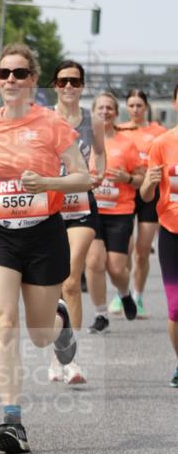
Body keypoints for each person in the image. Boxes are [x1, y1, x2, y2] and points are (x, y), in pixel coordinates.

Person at [0, 44, 90, 454]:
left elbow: (83, 177)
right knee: (5, 321)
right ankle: (12, 419)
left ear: (33, 80)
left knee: (39, 335)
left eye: (19, 73)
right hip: (0, 233)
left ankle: (59, 323)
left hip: (43, 232)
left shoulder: (51, 123)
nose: (10, 80)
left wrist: (48, 185)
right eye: (3, 73)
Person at [49, 60, 106, 383]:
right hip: (48, 207)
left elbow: (101, 153)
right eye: (62, 81)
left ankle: (71, 359)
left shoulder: (93, 121)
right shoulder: (44, 119)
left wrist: (97, 172)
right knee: (52, 286)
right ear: (55, 85)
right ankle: (57, 354)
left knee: (71, 280)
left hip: (82, 205)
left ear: (82, 85)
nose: (69, 87)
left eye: (74, 81)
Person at [86, 92, 144, 333]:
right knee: (94, 262)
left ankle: (125, 293)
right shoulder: (83, 141)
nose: (105, 111)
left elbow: (141, 179)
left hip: (120, 212)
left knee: (116, 268)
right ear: (93, 111)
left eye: (110, 108)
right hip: (91, 210)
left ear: (116, 113)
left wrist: (127, 178)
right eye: (100, 107)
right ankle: (101, 315)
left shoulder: (127, 144)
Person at [109, 89, 165, 318]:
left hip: (149, 196)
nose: (135, 109)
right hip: (125, 195)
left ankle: (138, 297)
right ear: (126, 107)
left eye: (139, 105)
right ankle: (123, 293)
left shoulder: (159, 132)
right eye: (131, 105)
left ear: (146, 107)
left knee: (142, 252)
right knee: (126, 249)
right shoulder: (119, 130)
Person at [141, 83, 178, 386]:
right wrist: (150, 182)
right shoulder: (162, 144)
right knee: (176, 307)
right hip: (171, 232)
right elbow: (145, 195)